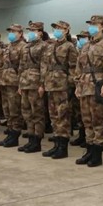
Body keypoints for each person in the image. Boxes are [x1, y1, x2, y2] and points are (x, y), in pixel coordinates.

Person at [74, 15, 103, 167]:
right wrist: (77, 84)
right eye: (90, 24)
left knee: (98, 121)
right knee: (87, 121)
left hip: (98, 86)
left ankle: (97, 155)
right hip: (84, 87)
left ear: (102, 26)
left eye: (94, 24)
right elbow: (79, 67)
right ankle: (89, 150)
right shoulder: (86, 46)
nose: (91, 26)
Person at [41, 20, 78, 159]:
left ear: (66, 30)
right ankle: (56, 145)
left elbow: (73, 68)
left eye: (60, 28)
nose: (57, 30)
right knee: (54, 116)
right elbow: (46, 65)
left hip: (62, 86)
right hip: (51, 85)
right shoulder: (51, 47)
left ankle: (63, 147)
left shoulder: (69, 47)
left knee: (63, 116)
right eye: (55, 27)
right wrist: (44, 82)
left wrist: (69, 85)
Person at [17, 22, 48, 152]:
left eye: (34, 30)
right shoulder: (26, 47)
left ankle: (37, 140)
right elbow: (21, 66)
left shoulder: (44, 46)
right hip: (25, 83)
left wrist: (42, 84)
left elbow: (44, 66)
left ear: (40, 32)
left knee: (37, 113)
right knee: (26, 112)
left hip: (35, 84)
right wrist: (20, 84)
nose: (31, 32)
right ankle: (30, 138)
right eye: (30, 30)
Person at [0, 25, 27, 147]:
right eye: (10, 31)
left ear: (20, 33)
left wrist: (21, 83)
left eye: (14, 31)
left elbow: (23, 67)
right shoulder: (8, 47)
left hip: (14, 83)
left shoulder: (23, 47)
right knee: (7, 110)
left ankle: (15, 135)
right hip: (5, 82)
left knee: (14, 110)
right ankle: (9, 133)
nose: (11, 33)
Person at [70, 30, 89, 148]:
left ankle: (88, 138)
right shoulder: (79, 51)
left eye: (84, 37)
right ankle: (82, 135)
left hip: (89, 85)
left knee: (88, 114)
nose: (81, 39)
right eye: (80, 37)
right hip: (80, 84)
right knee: (79, 112)